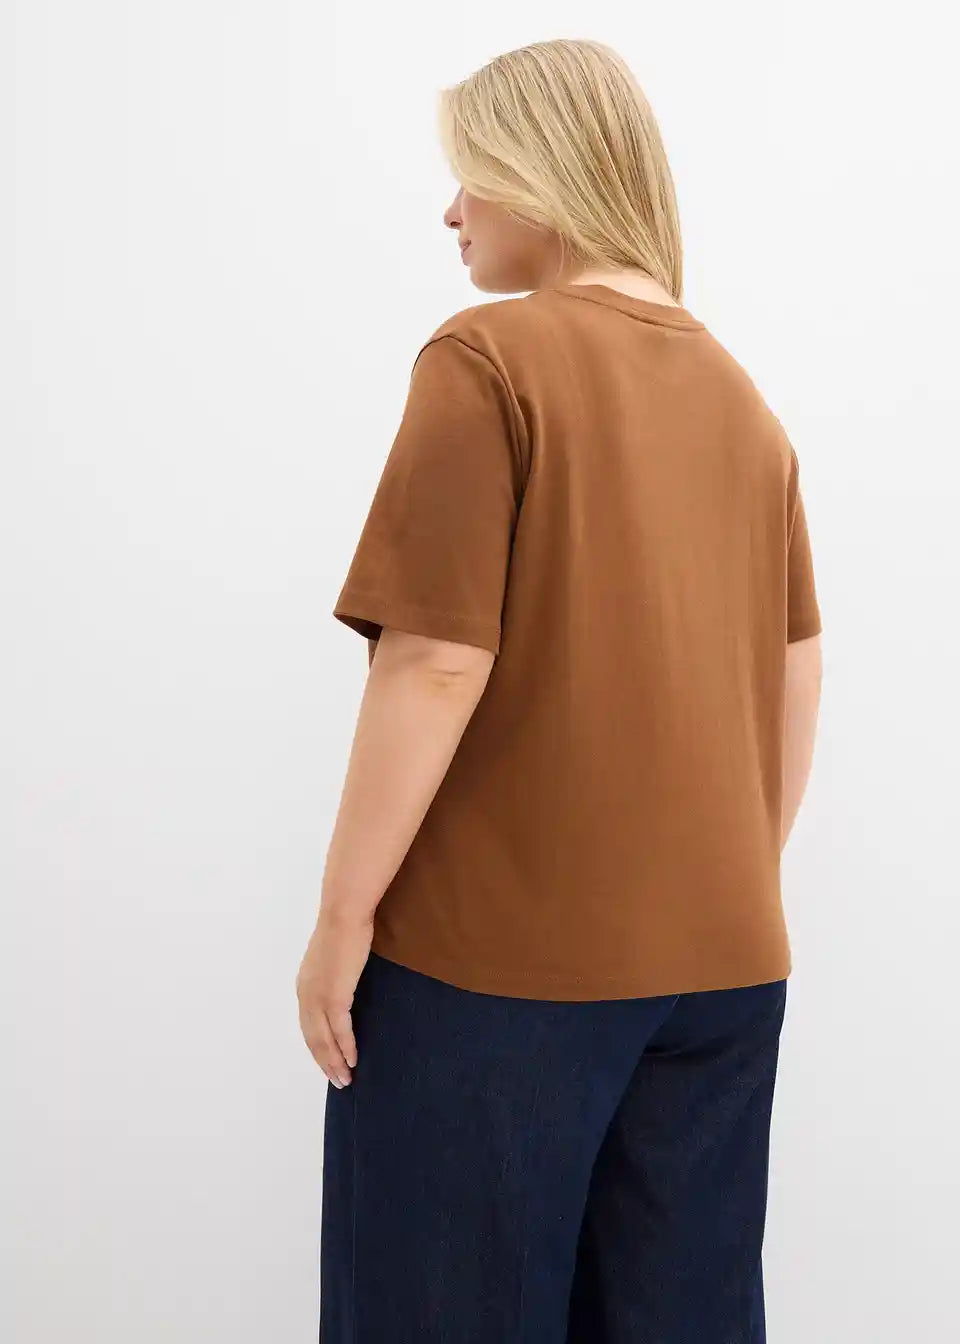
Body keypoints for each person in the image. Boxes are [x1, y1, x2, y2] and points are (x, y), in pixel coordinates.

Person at [298, 37, 822, 1344]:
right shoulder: (744, 403)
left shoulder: (490, 359)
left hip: (496, 977)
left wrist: (343, 915)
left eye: (472, 173)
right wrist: (718, 885)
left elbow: (436, 658)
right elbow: (795, 671)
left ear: (544, 174)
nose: (452, 209)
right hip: (721, 974)